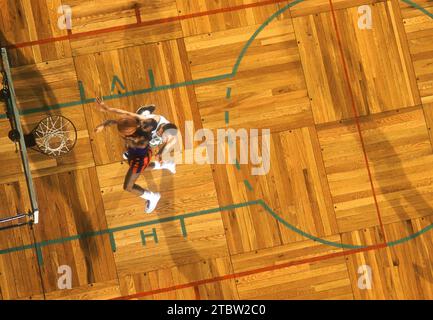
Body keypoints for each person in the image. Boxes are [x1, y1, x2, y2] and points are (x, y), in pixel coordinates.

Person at [93, 97, 165, 213]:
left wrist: (124, 136)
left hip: (139, 160)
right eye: (142, 121)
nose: (141, 122)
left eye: (143, 122)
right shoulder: (135, 124)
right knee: (131, 160)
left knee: (128, 186)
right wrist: (106, 115)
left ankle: (152, 197)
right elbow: (119, 118)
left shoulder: (142, 140)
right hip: (134, 154)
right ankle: (163, 165)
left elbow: (129, 140)